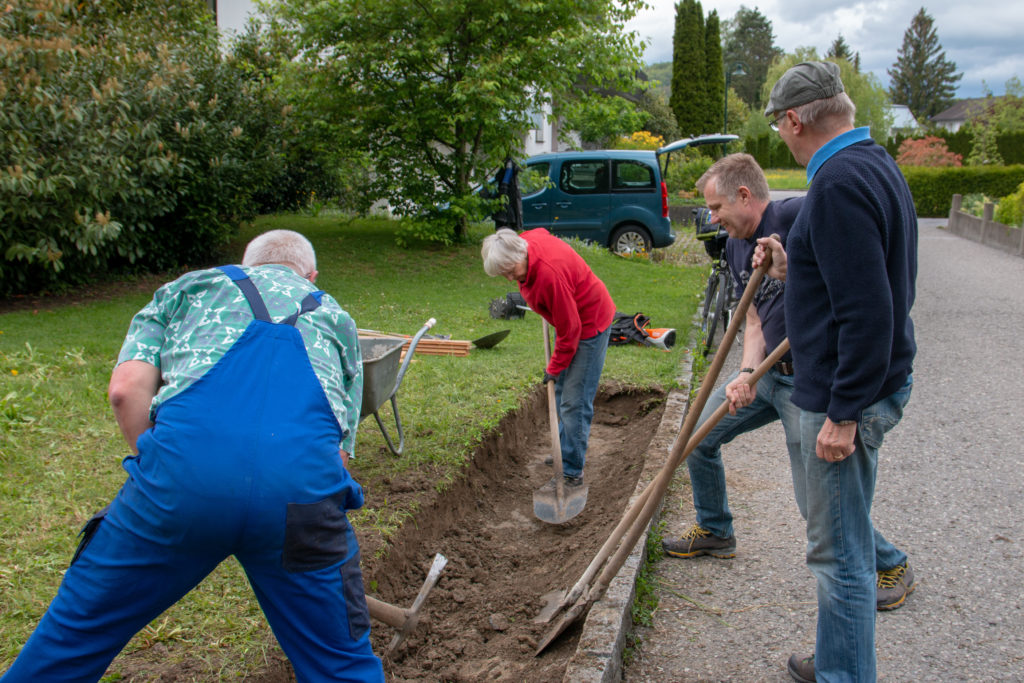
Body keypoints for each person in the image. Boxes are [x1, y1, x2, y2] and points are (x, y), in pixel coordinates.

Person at [1, 230, 385, 682]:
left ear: (246, 264)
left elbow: (125, 392)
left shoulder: (188, 288)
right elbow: (338, 454)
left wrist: (172, 471)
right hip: (300, 502)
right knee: (341, 666)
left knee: (69, 644)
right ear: (312, 275)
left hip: (177, 487)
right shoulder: (336, 315)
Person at [661, 154, 914, 613]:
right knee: (698, 438)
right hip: (767, 375)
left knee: (817, 503)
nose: (711, 218)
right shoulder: (737, 241)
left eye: (716, 207)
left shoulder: (802, 216)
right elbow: (753, 318)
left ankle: (891, 562)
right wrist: (744, 373)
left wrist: (791, 266)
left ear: (744, 195)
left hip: (810, 383)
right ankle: (716, 530)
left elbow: (846, 288)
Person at [756, 61, 918, 683]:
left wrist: (843, 413)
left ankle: (843, 675)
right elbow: (859, 276)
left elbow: (868, 311)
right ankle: (838, 655)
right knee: (843, 542)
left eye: (779, 124)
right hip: (874, 380)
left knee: (840, 556)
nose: (781, 136)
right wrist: (794, 268)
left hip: (851, 395)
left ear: (796, 118)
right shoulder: (874, 163)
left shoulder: (837, 184)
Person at [481, 228, 616, 488]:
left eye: (510, 271)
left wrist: (554, 367)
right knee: (561, 391)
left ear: (519, 253)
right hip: (569, 320)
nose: (510, 278)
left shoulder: (548, 276)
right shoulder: (525, 242)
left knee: (574, 401)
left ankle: (571, 472)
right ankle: (565, 450)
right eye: (504, 274)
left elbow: (571, 329)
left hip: (589, 326)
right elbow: (542, 231)